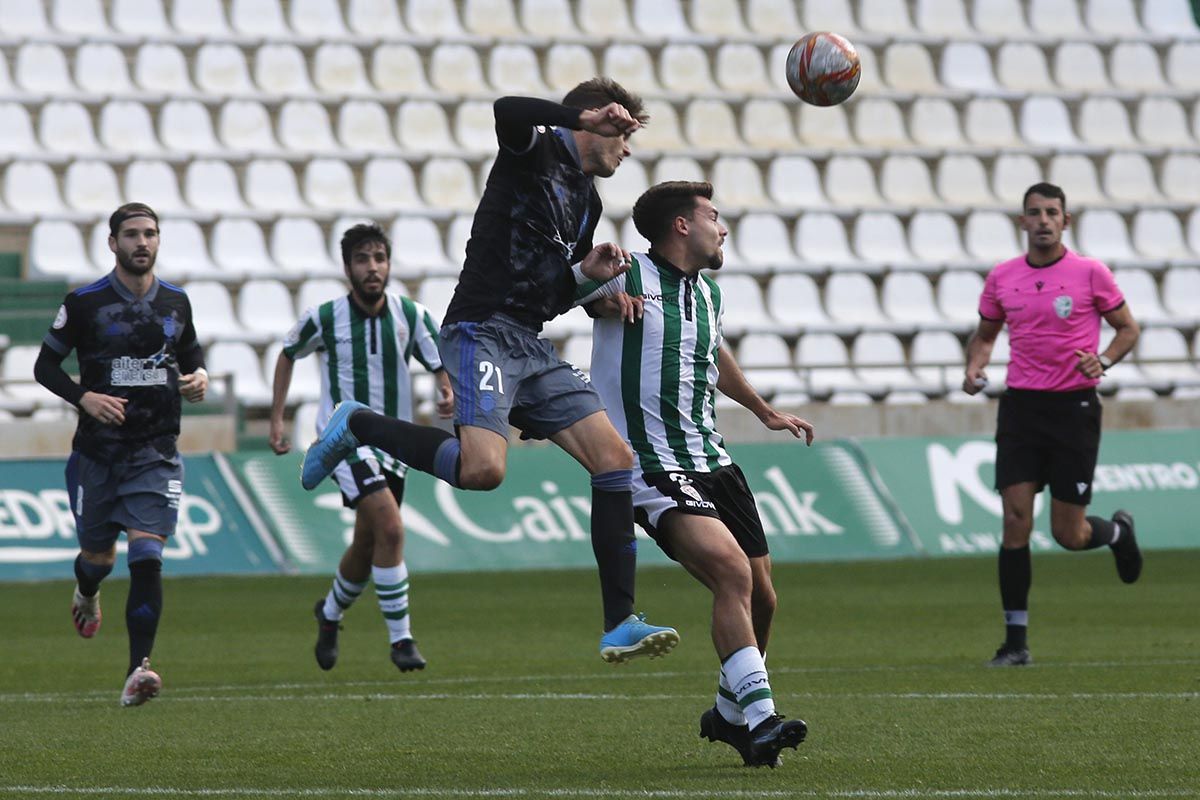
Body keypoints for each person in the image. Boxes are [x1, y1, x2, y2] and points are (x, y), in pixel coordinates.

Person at [300, 79, 678, 663]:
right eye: (624, 134)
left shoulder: (590, 203)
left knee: (616, 460)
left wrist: (587, 278)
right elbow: (506, 109)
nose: (626, 150)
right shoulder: (535, 149)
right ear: (595, 122)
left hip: (528, 342)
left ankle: (619, 621)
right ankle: (361, 424)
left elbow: (550, 293)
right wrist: (579, 114)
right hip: (481, 329)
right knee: (483, 471)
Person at [582, 181, 813, 767]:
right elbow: (571, 291)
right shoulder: (625, 274)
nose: (723, 226)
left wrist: (763, 411)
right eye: (714, 216)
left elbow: (713, 355)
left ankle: (729, 715)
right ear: (682, 226)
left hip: (714, 460)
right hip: (650, 464)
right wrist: (595, 296)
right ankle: (762, 720)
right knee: (731, 574)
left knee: (763, 599)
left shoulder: (707, 294)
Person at [33, 202, 208, 706]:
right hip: (97, 454)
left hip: (156, 451)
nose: (142, 242)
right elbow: (45, 367)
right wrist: (83, 396)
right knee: (97, 558)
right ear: (113, 243)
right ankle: (86, 590)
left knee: (147, 557)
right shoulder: (84, 303)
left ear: (159, 240)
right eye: (131, 234)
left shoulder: (176, 302)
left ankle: (138, 670)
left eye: (150, 233)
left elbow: (190, 354)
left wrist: (200, 378)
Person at [962, 182, 1143, 667]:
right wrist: (975, 366)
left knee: (1069, 534)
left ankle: (1117, 534)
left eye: (1052, 212)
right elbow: (984, 335)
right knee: (1015, 520)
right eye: (1034, 212)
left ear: (1066, 221)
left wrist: (1102, 360)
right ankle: (1015, 642)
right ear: (1022, 222)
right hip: (1021, 408)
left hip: (1074, 409)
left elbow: (1129, 328)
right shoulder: (1003, 277)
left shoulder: (1089, 274)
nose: (1043, 220)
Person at [269, 223, 453, 673]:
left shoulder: (410, 314)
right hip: (344, 439)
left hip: (394, 442)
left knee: (368, 543)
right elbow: (288, 352)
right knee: (391, 529)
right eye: (362, 260)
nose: (372, 268)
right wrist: (276, 419)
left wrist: (446, 388)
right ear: (347, 267)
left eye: (379, 259)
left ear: (388, 264)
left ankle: (329, 614)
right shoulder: (326, 317)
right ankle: (401, 640)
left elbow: (439, 362)